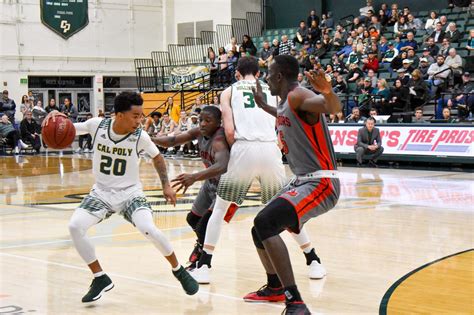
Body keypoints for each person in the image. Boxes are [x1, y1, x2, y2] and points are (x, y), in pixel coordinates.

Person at [42, 92, 198, 303]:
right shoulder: (96, 125)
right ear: (119, 115)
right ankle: (100, 277)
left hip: (130, 194)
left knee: (149, 229)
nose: (140, 120)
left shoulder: (140, 136)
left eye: (141, 116)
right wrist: (54, 116)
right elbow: (65, 128)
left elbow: (158, 157)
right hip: (102, 193)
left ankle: (179, 270)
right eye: (135, 116)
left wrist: (166, 185)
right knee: (75, 227)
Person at [190, 57, 327, 285]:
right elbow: (280, 120)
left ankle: (204, 265)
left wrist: (239, 152)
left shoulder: (229, 91)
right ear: (259, 72)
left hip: (244, 147)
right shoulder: (272, 89)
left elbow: (230, 130)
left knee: (220, 210)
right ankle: (313, 260)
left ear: (237, 73)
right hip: (270, 148)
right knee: (285, 213)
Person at [242, 55, 341, 314]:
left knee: (267, 223)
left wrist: (328, 92)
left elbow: (330, 107)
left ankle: (295, 302)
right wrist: (264, 106)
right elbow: (286, 115)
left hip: (321, 183)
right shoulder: (287, 103)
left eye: (269, 74)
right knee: (259, 228)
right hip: (303, 180)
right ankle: (275, 286)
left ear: (279, 77)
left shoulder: (299, 95)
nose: (265, 79)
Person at [153, 106, 230, 268]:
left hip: (225, 187)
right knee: (193, 219)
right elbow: (173, 141)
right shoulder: (198, 132)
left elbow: (223, 165)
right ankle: (201, 245)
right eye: (201, 119)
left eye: (208, 121)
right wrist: (150, 140)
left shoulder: (219, 140)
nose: (202, 124)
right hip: (210, 182)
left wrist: (193, 177)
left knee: (204, 225)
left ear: (218, 122)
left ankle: (201, 262)